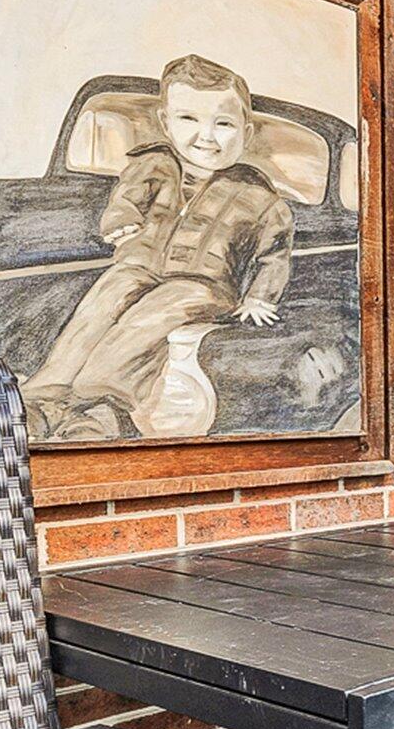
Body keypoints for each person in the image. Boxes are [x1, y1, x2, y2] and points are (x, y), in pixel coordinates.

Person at [24, 53, 293, 440]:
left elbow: (274, 254)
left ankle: (100, 407)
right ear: (165, 122)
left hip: (203, 283)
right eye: (189, 119)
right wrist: (119, 222)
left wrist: (259, 296)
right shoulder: (150, 165)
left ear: (246, 133)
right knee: (99, 308)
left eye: (224, 124)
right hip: (138, 266)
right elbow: (126, 201)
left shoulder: (259, 196)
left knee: (146, 320)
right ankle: (42, 400)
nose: (207, 136)